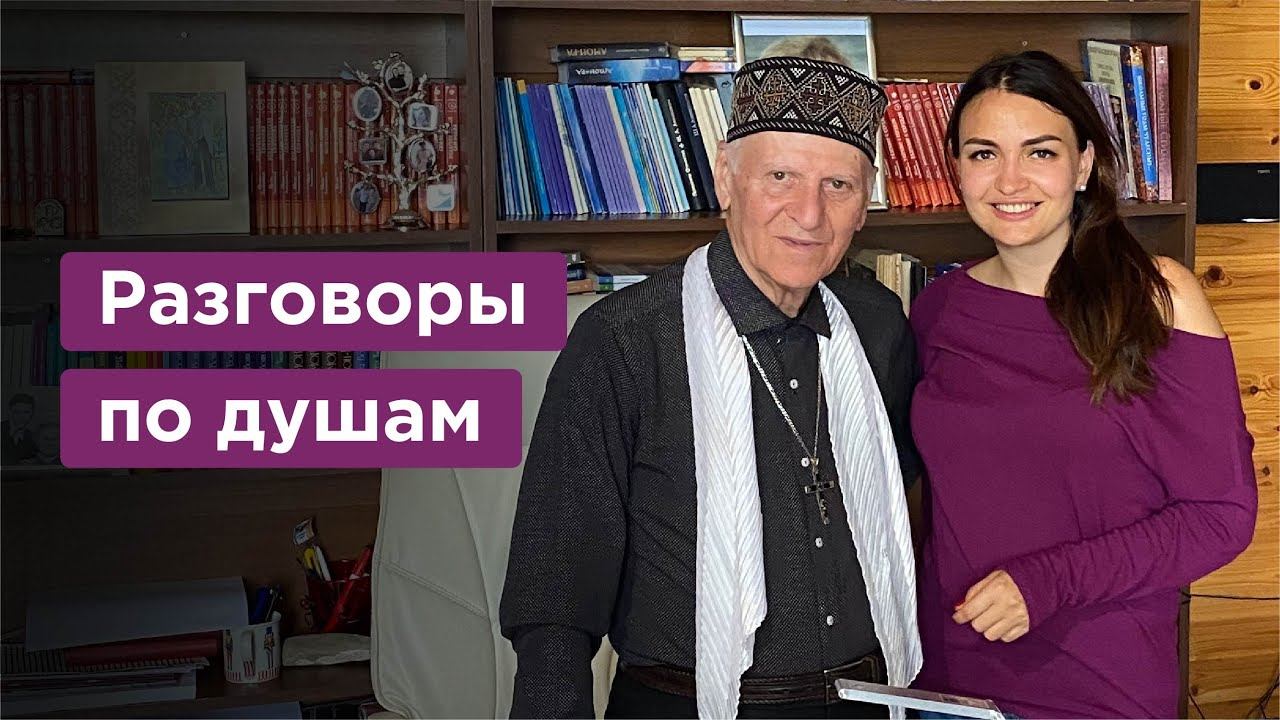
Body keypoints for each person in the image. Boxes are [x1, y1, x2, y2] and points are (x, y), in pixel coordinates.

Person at [501, 46, 924, 720]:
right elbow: (556, 588)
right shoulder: (623, 338)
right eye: (781, 176)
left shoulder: (878, 325)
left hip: (869, 702)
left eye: (838, 186)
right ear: (727, 178)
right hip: (681, 706)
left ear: (863, 206)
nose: (808, 214)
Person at [909, 51, 1257, 719]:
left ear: (1084, 164)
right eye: (983, 154)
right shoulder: (940, 307)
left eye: (1039, 152)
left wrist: (1046, 583)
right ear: (956, 168)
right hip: (947, 680)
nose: (1009, 180)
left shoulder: (1157, 299)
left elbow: (1221, 517)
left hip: (1097, 686)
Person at [2, 393, 37, 465]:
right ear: (9, 412)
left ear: (32, 414)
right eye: (17, 412)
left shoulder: (31, 437)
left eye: (26, 412)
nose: (22, 416)